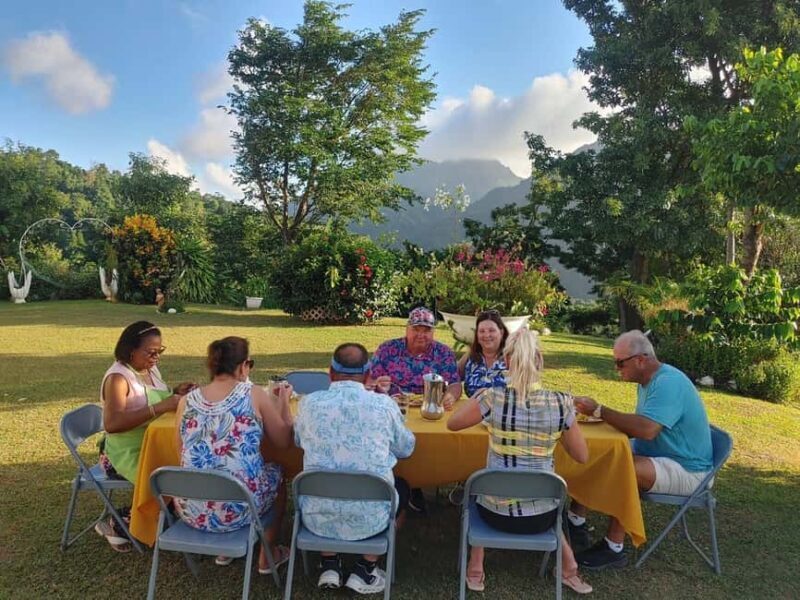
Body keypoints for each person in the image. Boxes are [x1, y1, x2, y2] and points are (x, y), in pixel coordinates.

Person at [448, 327, 593, 595]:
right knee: (543, 498)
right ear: (539, 360)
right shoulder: (561, 404)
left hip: (494, 516)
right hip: (542, 518)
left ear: (506, 361)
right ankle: (569, 566)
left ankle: (476, 565)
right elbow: (582, 456)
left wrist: (480, 398)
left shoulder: (492, 398)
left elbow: (453, 424)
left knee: (478, 491)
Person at [571, 330, 713, 570]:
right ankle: (575, 519)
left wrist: (599, 411)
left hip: (689, 470)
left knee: (624, 467)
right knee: (600, 453)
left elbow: (646, 429)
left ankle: (613, 548)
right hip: (661, 456)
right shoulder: (648, 381)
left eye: (619, 362)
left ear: (640, 359)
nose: (616, 368)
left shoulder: (669, 383)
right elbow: (641, 426)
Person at [294, 343, 415, 595]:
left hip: (316, 516)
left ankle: (329, 563)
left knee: (328, 483)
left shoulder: (309, 403)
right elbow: (406, 448)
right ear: (369, 373)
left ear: (330, 372)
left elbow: (298, 440)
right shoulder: (384, 405)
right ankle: (365, 567)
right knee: (402, 487)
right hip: (370, 519)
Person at [174, 336, 294, 574]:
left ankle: (225, 550)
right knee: (278, 476)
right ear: (243, 366)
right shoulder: (254, 393)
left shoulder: (186, 401)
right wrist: (284, 402)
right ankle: (268, 555)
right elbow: (283, 442)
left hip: (191, 509)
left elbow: (180, 452)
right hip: (239, 510)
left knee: (221, 475)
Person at [97, 320, 196, 552]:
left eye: (159, 351)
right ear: (131, 350)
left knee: (191, 472)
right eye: (150, 352)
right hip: (123, 452)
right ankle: (119, 523)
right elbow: (112, 424)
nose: (156, 357)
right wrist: (161, 407)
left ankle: (162, 517)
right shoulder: (118, 379)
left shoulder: (149, 369)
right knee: (171, 484)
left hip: (154, 443)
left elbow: (150, 399)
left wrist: (175, 392)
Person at [367, 306, 461, 513]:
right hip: (392, 407)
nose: (421, 334)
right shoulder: (388, 349)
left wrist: (451, 395)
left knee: (432, 440)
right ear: (407, 328)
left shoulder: (443, 352)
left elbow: (454, 383)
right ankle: (406, 485)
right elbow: (370, 379)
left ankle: (420, 483)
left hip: (429, 408)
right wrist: (377, 383)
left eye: (426, 330)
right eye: (416, 328)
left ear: (433, 332)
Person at [457, 309, 509, 397]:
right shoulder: (470, 357)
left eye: (491, 330)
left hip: (504, 410)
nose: (486, 335)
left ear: (501, 332)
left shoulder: (511, 357)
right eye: (482, 331)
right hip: (472, 409)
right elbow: (451, 378)